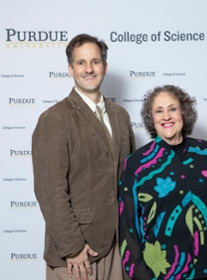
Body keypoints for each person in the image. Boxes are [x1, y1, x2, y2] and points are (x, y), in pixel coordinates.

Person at [32, 33, 135, 280]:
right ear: (70, 69)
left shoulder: (120, 116)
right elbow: (50, 192)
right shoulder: (55, 119)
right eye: (81, 63)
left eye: (95, 62)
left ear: (105, 67)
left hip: (117, 245)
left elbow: (130, 178)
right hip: (78, 254)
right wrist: (73, 248)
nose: (89, 69)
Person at [118, 85, 207, 280]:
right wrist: (141, 274)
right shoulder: (136, 164)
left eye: (172, 109)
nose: (166, 116)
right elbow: (128, 227)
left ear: (183, 113)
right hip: (161, 272)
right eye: (159, 111)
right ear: (152, 118)